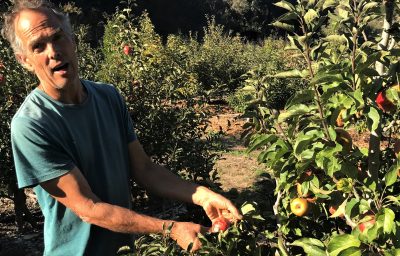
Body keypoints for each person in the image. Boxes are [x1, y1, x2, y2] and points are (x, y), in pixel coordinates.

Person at [2, 0, 242, 255]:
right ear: (25, 60)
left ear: (73, 40)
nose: (53, 52)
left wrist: (202, 195)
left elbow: (145, 169)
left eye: (58, 37)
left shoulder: (109, 97)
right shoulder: (32, 125)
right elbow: (89, 208)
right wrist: (171, 228)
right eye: (38, 46)